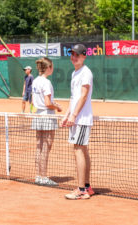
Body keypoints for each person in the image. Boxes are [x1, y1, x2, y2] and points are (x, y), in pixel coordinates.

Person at [61, 44, 95, 200]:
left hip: (81, 119)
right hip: (76, 118)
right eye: (72, 54)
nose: (73, 57)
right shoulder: (75, 73)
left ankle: (81, 190)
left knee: (79, 150)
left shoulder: (86, 73)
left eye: (77, 55)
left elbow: (83, 96)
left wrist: (74, 116)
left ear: (84, 56)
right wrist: (67, 115)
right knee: (82, 150)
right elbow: (73, 97)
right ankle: (87, 187)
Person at [31, 57, 62, 186]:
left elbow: (34, 102)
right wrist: (57, 107)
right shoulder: (46, 82)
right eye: (52, 66)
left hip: (37, 115)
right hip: (48, 116)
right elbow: (48, 103)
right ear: (48, 68)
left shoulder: (35, 81)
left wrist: (50, 104)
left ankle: (39, 176)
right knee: (46, 147)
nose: (53, 69)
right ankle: (43, 177)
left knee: (39, 146)